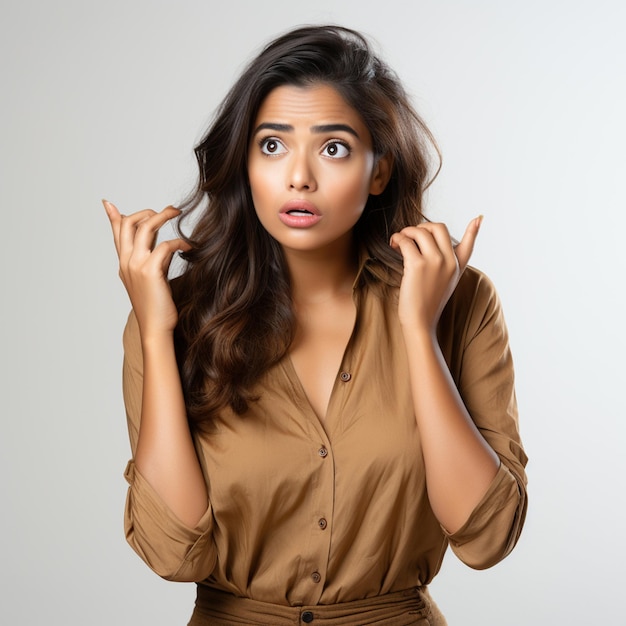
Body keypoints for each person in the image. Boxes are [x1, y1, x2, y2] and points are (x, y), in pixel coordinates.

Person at [104, 25, 527, 626]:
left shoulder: (461, 303)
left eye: (333, 149)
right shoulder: (175, 318)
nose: (299, 176)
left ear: (378, 171)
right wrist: (153, 331)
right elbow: (172, 551)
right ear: (245, 163)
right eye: (272, 146)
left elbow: (485, 539)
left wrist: (418, 333)